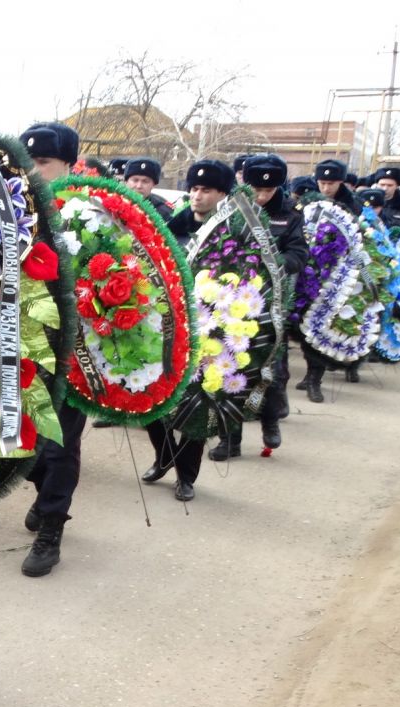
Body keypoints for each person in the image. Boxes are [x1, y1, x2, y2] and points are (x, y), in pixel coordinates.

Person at [14, 121, 88, 576]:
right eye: (27, 162)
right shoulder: (13, 210)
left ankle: (52, 527)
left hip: (74, 349)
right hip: (20, 343)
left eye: (42, 163)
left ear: (68, 165)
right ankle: (45, 493)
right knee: (18, 441)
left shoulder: (89, 214)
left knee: (61, 442)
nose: (32, 171)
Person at [142, 159, 234, 502]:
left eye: (206, 190)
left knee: (199, 406)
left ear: (222, 194)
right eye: (193, 189)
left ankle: (186, 476)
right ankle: (165, 456)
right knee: (150, 400)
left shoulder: (231, 234)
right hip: (165, 328)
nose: (197, 196)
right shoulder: (169, 227)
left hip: (212, 332)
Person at [209, 154, 309, 459]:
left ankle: (270, 420)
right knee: (229, 368)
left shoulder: (291, 214)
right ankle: (230, 441)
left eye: (268, 191)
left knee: (270, 369)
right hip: (231, 301)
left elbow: (299, 253)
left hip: (271, 302)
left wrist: (273, 265)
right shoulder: (230, 209)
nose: (262, 196)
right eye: (256, 190)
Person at [296, 159, 358, 399]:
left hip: (335, 277)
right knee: (301, 327)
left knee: (321, 326)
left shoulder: (352, 206)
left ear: (341, 182)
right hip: (307, 273)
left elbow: (357, 242)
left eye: (331, 183)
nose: (326, 188)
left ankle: (315, 379)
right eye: (322, 182)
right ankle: (309, 374)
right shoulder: (308, 202)